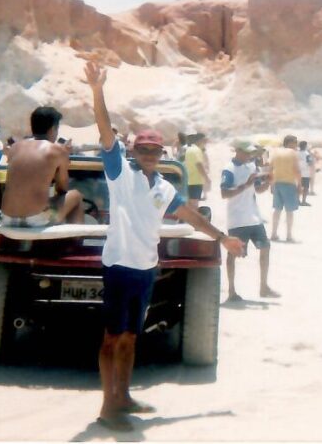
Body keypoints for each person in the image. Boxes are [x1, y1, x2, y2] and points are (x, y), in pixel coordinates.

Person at [84, 61, 243, 431]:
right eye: (144, 150)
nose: (150, 155)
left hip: (144, 269)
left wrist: (222, 238)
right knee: (112, 338)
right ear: (134, 152)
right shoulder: (120, 173)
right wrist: (97, 90)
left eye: (155, 151)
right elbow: (105, 130)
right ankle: (108, 407)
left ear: (162, 153)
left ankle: (123, 396)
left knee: (131, 338)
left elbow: (191, 216)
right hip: (120, 267)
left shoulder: (164, 188)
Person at [0, 107, 85, 227]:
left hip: (7, 217)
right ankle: (75, 241)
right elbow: (62, 189)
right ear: (52, 129)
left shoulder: (15, 148)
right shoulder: (57, 151)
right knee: (76, 195)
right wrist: (63, 159)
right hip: (36, 219)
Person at [221, 140, 278, 301]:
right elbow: (224, 193)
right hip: (237, 219)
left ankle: (263, 287)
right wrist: (245, 185)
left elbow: (258, 190)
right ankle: (231, 291)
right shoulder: (229, 169)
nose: (250, 155)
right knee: (233, 254)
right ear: (238, 151)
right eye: (247, 152)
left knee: (265, 248)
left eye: (251, 153)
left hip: (254, 217)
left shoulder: (252, 167)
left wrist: (268, 182)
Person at [269, 135, 301, 242]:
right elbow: (296, 170)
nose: (296, 145)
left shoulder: (276, 152)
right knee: (289, 211)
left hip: (277, 183)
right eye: (295, 142)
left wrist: (271, 184)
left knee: (277, 210)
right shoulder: (293, 153)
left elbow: (270, 168)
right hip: (289, 184)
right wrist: (300, 184)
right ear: (290, 143)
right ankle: (288, 235)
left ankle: (273, 234)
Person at [183, 132, 210, 208]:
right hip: (195, 182)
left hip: (189, 180)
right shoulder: (196, 150)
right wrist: (207, 178)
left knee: (189, 204)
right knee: (194, 205)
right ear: (200, 140)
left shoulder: (190, 149)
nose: (206, 143)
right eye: (205, 140)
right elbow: (199, 164)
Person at [297, 140, 312, 206]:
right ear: (305, 146)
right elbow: (310, 163)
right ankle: (303, 201)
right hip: (305, 173)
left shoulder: (296, 153)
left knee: (298, 186)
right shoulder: (307, 154)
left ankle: (297, 200)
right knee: (305, 187)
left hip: (297, 172)